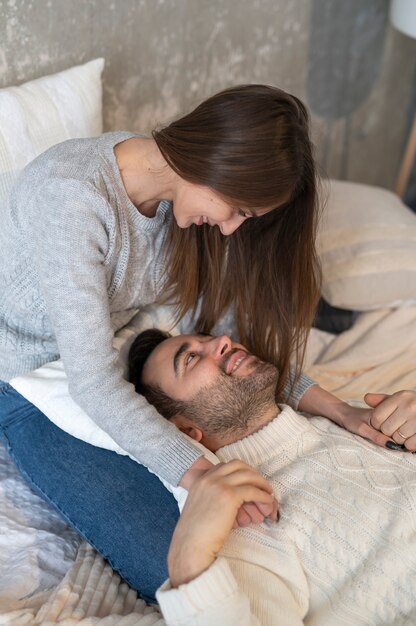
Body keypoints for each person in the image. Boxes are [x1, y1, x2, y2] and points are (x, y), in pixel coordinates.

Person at [0, 84, 398, 601]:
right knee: (177, 557)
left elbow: (232, 333)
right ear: (215, 162)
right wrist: (203, 475)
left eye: (246, 219)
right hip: (20, 374)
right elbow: (92, 381)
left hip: (114, 342)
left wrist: (342, 412)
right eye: (237, 209)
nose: (231, 230)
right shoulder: (70, 196)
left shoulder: (179, 202)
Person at [128, 329, 416, 625]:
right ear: (186, 432)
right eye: (190, 358)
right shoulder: (245, 525)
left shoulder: (361, 419)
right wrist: (188, 558)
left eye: (208, 337)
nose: (223, 340)